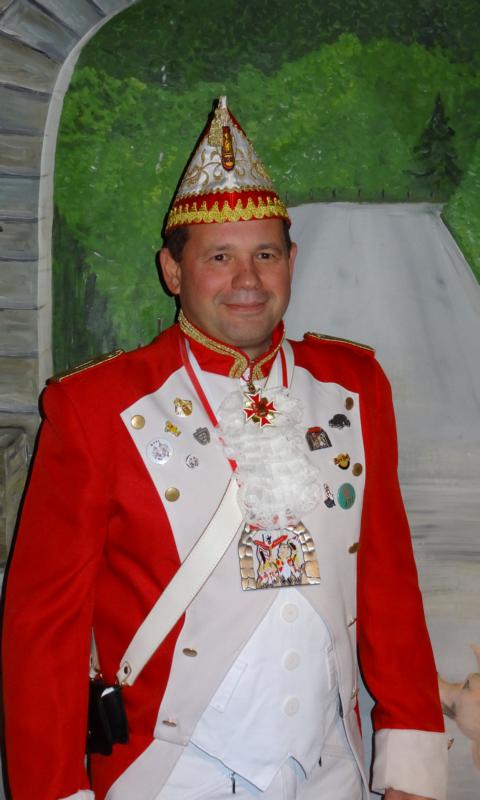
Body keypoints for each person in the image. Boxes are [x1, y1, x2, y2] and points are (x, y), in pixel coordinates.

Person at [2, 96, 447, 800]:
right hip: (167, 773)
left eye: (265, 254)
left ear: (292, 261)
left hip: (331, 768)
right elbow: (42, 630)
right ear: (172, 271)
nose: (248, 280)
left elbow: (388, 581)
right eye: (219, 258)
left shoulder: (353, 385)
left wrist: (412, 769)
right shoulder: (94, 407)